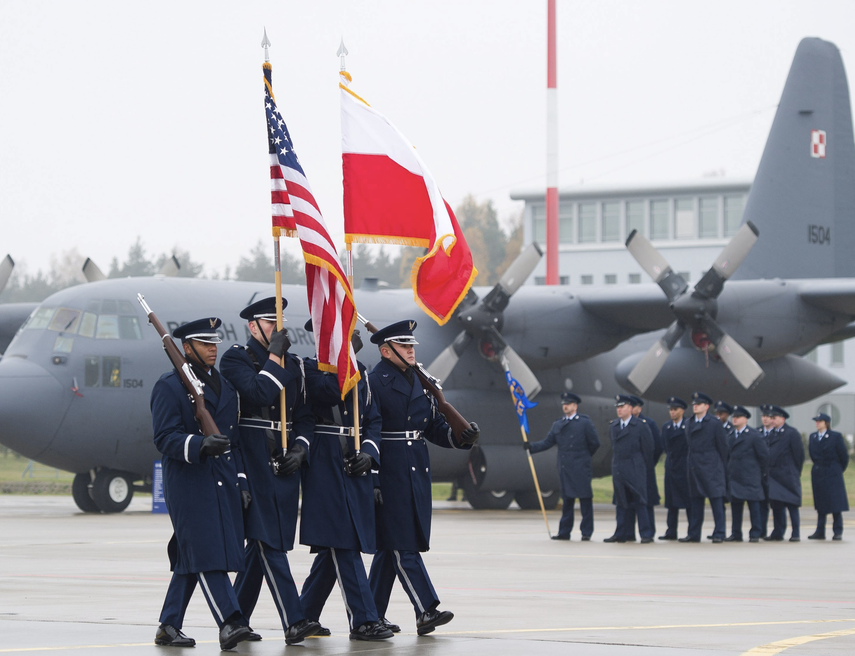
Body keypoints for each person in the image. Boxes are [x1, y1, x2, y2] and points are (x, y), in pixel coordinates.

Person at [367, 320, 480, 636]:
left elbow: (431, 428)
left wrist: (460, 437)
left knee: (392, 548)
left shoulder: (419, 380)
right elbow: (368, 432)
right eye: (404, 346)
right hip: (390, 470)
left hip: (415, 469)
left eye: (412, 345)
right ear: (386, 351)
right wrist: (373, 478)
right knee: (403, 545)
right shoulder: (375, 381)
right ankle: (426, 609)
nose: (411, 350)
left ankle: (369, 615)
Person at [219, 297, 320, 645]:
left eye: (280, 322)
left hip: (284, 461)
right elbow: (259, 391)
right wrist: (275, 357)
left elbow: (305, 417)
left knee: (266, 544)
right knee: (266, 543)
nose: (278, 329)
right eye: (269, 323)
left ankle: (235, 619)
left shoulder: (293, 363)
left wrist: (301, 450)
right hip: (252, 458)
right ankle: (295, 620)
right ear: (252, 327)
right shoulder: (236, 358)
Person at [150, 318, 253, 650]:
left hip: (222, 480)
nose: (213, 348)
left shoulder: (224, 385)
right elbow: (164, 438)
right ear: (186, 347)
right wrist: (197, 446)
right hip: (189, 483)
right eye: (204, 343)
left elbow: (233, 440)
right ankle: (231, 621)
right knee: (207, 554)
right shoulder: (169, 387)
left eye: (214, 342)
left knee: (192, 554)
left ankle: (169, 625)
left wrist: (240, 480)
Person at [299, 319, 394, 641]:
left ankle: (304, 614)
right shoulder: (307, 369)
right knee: (345, 541)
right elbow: (327, 393)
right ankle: (364, 619)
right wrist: (346, 361)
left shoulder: (361, 371)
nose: (348, 338)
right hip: (325, 462)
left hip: (355, 462)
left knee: (335, 543)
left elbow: (373, 419)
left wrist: (370, 453)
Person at [524, 392, 600, 541]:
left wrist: (583, 457)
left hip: (581, 468)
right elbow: (548, 442)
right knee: (567, 502)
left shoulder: (584, 422)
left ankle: (586, 532)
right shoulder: (558, 424)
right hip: (565, 468)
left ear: (575, 406)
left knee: (585, 501)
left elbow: (594, 443)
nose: (565, 406)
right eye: (564, 404)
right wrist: (531, 447)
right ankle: (564, 532)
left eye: (568, 404)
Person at [604, 395, 654, 544]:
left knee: (640, 502)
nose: (619, 410)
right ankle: (621, 533)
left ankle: (646, 533)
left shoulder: (640, 425)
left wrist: (640, 466)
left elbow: (648, 449)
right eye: (618, 407)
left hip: (635, 468)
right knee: (621, 503)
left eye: (622, 407)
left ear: (630, 408)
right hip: (619, 467)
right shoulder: (613, 426)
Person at [681, 392, 728, 543]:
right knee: (695, 503)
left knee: (716, 501)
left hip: (711, 466)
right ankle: (694, 534)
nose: (695, 406)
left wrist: (719, 466)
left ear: (706, 406)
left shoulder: (714, 423)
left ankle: (719, 533)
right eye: (694, 404)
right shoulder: (689, 422)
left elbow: (723, 447)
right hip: (694, 466)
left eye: (699, 404)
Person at [726, 406, 769, 543]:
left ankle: (755, 533)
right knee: (736, 507)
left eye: (738, 417)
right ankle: (736, 533)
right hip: (735, 476)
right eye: (734, 417)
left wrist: (760, 473)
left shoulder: (754, 435)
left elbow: (764, 456)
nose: (735, 419)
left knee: (754, 506)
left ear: (745, 419)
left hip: (751, 476)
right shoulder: (730, 435)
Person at [764, 406, 805, 542]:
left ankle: (795, 532)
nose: (772, 421)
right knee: (776, 506)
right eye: (771, 418)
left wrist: (795, 471)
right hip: (774, 476)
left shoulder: (791, 433)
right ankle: (778, 532)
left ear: (782, 418)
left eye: (774, 418)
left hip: (788, 474)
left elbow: (799, 455)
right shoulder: (772, 434)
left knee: (792, 505)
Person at [807, 413, 849, 540]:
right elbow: (812, 454)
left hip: (832, 472)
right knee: (821, 503)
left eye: (820, 421)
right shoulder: (813, 437)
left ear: (826, 423)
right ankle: (820, 531)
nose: (817, 423)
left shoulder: (835, 436)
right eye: (816, 421)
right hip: (819, 472)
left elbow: (844, 456)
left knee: (835, 503)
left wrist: (837, 469)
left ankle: (837, 530)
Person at [630, 396, 663, 538]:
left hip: (645, 468)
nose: (631, 409)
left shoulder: (648, 423)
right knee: (627, 501)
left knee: (646, 501)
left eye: (634, 406)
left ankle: (648, 533)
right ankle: (626, 533)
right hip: (628, 468)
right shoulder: (622, 423)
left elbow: (657, 446)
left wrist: (648, 463)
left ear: (639, 408)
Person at [659, 397, 691, 540]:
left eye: (675, 409)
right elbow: (664, 446)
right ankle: (671, 531)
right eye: (671, 410)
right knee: (671, 503)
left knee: (689, 503)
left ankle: (692, 532)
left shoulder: (688, 426)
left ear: (682, 411)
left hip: (685, 467)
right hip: (671, 467)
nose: (672, 412)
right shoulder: (666, 427)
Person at [757, 405, 775, 538]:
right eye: (763, 416)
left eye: (768, 417)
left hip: (775, 475)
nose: (765, 419)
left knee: (776, 505)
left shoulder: (779, 433)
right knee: (761, 505)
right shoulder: (757, 433)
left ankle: (778, 531)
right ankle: (761, 530)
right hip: (760, 475)